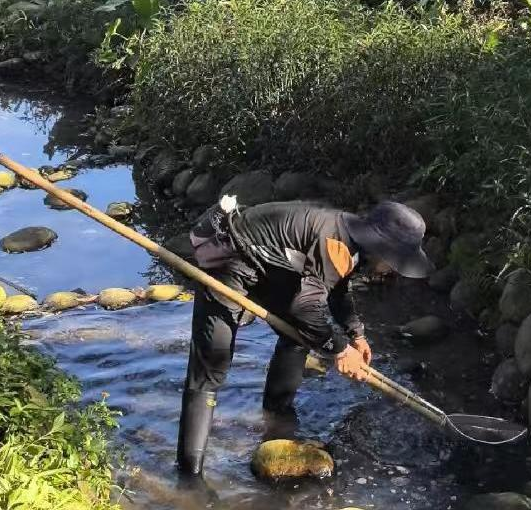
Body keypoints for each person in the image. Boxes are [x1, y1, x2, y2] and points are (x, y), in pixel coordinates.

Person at [176, 198, 433, 475]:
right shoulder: (334, 242)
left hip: (269, 264)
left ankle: (276, 415)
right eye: (395, 262)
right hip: (230, 259)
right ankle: (190, 474)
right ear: (383, 248)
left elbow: (336, 289)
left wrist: (355, 333)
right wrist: (340, 350)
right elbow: (306, 308)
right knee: (210, 368)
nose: (393, 270)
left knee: (299, 337)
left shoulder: (350, 242)